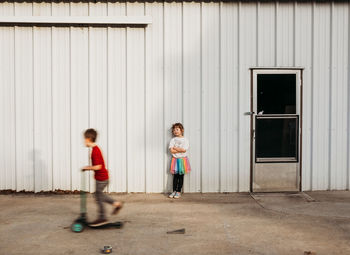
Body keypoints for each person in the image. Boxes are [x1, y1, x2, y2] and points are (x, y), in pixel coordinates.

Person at [82, 128, 123, 226]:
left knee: (98, 196)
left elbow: (98, 166)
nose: (83, 141)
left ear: (88, 139)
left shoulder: (95, 151)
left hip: (102, 179)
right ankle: (116, 204)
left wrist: (87, 168)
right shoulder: (95, 149)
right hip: (101, 178)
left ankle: (102, 217)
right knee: (98, 195)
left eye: (84, 139)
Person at [168, 123, 191, 199]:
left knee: (181, 176)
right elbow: (171, 150)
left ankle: (178, 191)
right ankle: (174, 190)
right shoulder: (173, 140)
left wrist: (176, 148)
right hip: (175, 160)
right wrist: (178, 150)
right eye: (174, 130)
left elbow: (184, 150)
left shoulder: (185, 140)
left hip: (182, 160)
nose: (175, 131)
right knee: (175, 176)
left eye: (177, 129)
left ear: (182, 130)